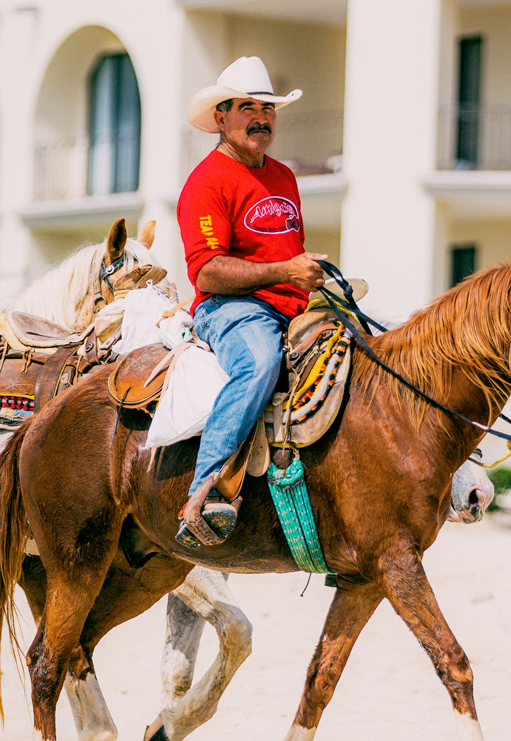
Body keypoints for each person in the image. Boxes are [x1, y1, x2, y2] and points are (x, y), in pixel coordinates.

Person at [175, 56, 327, 549]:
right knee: (259, 362)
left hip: (292, 306)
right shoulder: (206, 181)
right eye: (247, 108)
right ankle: (207, 489)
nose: (261, 118)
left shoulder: (284, 176)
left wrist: (310, 279)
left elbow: (286, 252)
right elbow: (207, 271)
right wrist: (287, 272)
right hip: (231, 308)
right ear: (221, 117)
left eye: (268, 108)